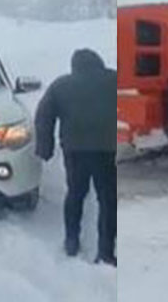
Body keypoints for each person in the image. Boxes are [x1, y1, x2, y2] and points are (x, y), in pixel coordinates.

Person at [35, 49, 117, 266]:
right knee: (108, 199)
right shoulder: (114, 80)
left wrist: (45, 147)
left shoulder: (61, 85)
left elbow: (44, 115)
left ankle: (72, 241)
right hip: (107, 149)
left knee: (76, 194)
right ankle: (106, 251)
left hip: (75, 150)